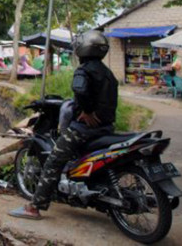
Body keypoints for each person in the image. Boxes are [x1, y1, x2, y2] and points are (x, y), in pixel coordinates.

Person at [9, 30, 118, 219]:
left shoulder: (84, 70)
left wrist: (87, 110)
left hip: (84, 130)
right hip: (106, 128)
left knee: (54, 160)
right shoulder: (107, 73)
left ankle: (35, 206)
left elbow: (80, 89)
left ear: (82, 48)